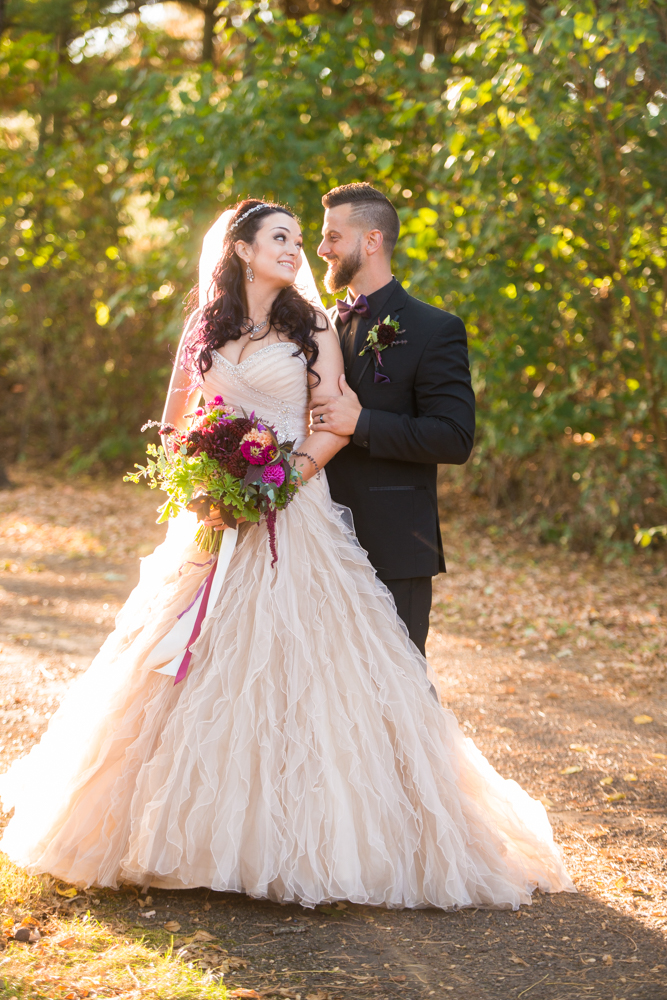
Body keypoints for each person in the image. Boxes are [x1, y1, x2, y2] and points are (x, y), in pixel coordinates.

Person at [0, 199, 573, 910]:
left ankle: (314, 836)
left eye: (302, 239)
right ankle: (192, 833)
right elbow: (178, 426)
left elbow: (331, 418)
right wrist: (204, 488)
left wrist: (280, 481)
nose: (298, 248)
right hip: (214, 525)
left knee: (303, 671)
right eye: (282, 237)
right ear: (239, 249)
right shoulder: (202, 329)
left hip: (292, 515)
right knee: (192, 669)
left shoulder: (314, 326)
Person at [313, 183, 475, 657]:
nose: (321, 249)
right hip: (319, 538)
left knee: (395, 694)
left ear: (371, 241)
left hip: (394, 542)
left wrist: (361, 424)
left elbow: (454, 438)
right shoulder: (319, 326)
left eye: (333, 237)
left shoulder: (435, 329)